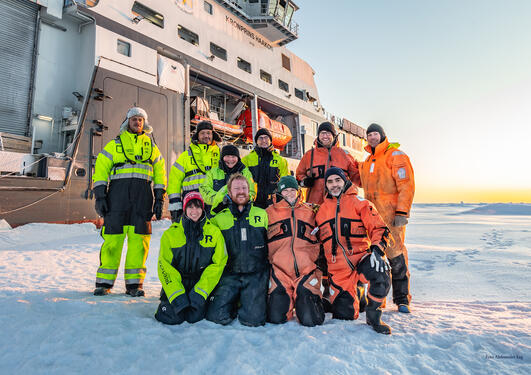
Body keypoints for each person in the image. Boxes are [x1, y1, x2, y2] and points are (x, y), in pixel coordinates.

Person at [92, 107, 166, 297]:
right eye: (134, 119)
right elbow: (101, 168)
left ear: (145, 123)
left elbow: (160, 172)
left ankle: (135, 285)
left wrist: (159, 198)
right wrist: (100, 195)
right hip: (117, 197)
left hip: (142, 199)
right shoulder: (114, 145)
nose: (137, 122)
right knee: (112, 241)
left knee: (139, 242)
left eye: (141, 120)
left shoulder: (152, 147)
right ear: (127, 122)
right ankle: (104, 283)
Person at [315, 167, 392, 334]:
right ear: (326, 185)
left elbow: (379, 228)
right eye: (330, 182)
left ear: (345, 181)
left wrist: (378, 251)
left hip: (362, 260)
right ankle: (356, 295)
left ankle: (373, 315)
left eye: (338, 180)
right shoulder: (321, 211)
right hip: (339, 271)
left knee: (381, 269)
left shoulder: (360, 203)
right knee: (344, 315)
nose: (334, 185)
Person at [359, 123, 415, 313]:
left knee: (396, 257)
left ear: (382, 136)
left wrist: (402, 212)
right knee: (376, 259)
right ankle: (378, 299)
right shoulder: (367, 161)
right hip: (373, 218)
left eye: (375, 134)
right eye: (369, 135)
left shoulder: (395, 155)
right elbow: (358, 179)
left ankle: (402, 299)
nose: (372, 137)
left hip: (391, 218)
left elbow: (406, 185)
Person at [206, 173, 269, 326]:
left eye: (244, 188)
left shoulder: (262, 214)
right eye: (236, 188)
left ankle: (246, 300)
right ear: (229, 192)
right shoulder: (218, 219)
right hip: (230, 274)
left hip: (255, 274)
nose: (241, 191)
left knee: (254, 320)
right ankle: (236, 299)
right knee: (216, 317)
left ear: (250, 190)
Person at [155, 192, 227, 325]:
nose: (194, 211)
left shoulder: (214, 233)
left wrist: (200, 292)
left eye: (198, 207)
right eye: (190, 207)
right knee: (172, 317)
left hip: (200, 284)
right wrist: (177, 294)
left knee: (194, 317)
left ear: (203, 208)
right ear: (184, 209)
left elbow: (218, 264)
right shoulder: (170, 234)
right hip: (178, 283)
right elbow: (164, 265)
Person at [266, 176, 324, 327]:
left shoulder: (311, 210)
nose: (290, 194)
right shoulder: (268, 213)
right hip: (280, 271)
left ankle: (305, 298)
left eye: (293, 190)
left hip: (306, 270)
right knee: (275, 317)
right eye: (286, 191)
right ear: (279, 193)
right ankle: (287, 300)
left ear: (298, 192)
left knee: (312, 319)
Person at [296, 121, 360, 206]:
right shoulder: (309, 155)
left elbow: (357, 178)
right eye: (322, 133)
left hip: (339, 205)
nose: (325, 136)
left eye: (328, 133)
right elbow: (298, 175)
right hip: (314, 206)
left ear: (333, 136)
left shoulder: (345, 155)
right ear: (318, 135)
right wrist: (305, 181)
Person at [167, 121, 221, 221]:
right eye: (202, 133)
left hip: (215, 204)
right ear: (197, 135)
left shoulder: (221, 155)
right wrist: (175, 204)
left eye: (208, 133)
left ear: (213, 135)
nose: (206, 136)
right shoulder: (185, 156)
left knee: (214, 234)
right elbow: (175, 180)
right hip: (192, 204)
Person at [199, 144, 255, 212]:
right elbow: (204, 190)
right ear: (222, 157)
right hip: (217, 213)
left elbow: (251, 192)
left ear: (238, 158)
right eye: (227, 156)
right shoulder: (212, 172)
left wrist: (238, 200)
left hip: (239, 213)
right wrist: (221, 199)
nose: (230, 159)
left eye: (233, 156)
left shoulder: (245, 172)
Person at [242, 128, 289, 209]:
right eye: (260, 138)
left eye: (266, 137)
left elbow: (285, 183)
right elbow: (241, 181)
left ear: (270, 140)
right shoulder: (246, 160)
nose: (264, 140)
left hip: (274, 203)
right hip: (253, 203)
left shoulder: (280, 161)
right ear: (256, 141)